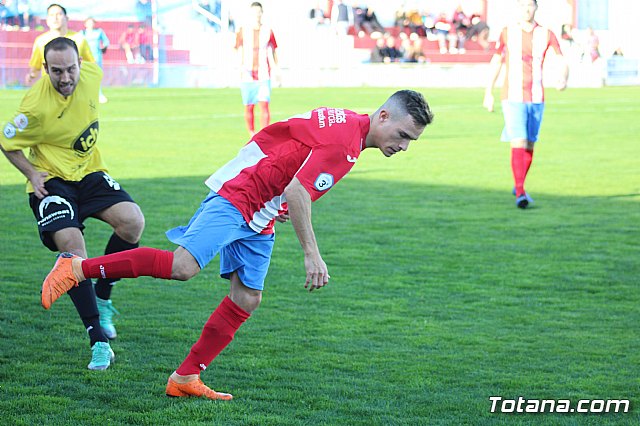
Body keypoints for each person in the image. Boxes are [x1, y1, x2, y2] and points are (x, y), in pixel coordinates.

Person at [40, 89, 434, 400]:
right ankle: (76, 268)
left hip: (261, 211)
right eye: (402, 135)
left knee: (246, 298)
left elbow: (286, 140)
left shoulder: (347, 124)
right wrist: (311, 253)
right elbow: (298, 190)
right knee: (182, 267)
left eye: (412, 140)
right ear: (383, 116)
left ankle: (186, 376)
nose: (404, 146)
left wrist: (276, 187)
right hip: (241, 196)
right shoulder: (345, 144)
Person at [1, 37, 145, 370]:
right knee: (74, 248)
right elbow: (6, 141)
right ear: (45, 69)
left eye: (70, 69)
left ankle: (104, 295)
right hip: (52, 181)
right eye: (56, 71)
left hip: (90, 173)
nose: (65, 78)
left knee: (133, 221)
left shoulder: (92, 75)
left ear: (81, 64)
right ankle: (98, 340)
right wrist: (31, 173)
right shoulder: (34, 105)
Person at [482, 0, 568, 209]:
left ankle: (519, 183)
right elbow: (496, 61)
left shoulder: (546, 33)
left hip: (537, 97)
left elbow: (561, 59)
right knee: (518, 141)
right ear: (517, 8)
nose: (526, 9)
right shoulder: (507, 32)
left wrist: (563, 77)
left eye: (530, 5)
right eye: (522, 5)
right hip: (512, 96)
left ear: (536, 7)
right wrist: (488, 93)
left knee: (529, 144)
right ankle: (520, 191)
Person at [235, 2, 279, 136]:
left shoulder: (268, 30)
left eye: (259, 12)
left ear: (262, 13)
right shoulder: (243, 30)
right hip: (247, 74)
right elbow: (237, 48)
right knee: (249, 106)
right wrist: (239, 66)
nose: (257, 15)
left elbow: (273, 50)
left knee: (264, 104)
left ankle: (264, 134)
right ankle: (252, 133)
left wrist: (276, 68)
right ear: (250, 14)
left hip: (264, 73)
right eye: (254, 12)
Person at [25, 4, 95, 85]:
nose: (55, 18)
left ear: (66, 18)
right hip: (51, 89)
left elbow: (92, 65)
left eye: (59, 14)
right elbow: (35, 67)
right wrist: (31, 76)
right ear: (47, 20)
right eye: (51, 15)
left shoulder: (79, 39)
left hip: (74, 89)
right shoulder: (40, 41)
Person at [81, 17, 110, 103]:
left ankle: (99, 94)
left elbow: (106, 41)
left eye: (92, 22)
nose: (91, 24)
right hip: (85, 58)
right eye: (89, 22)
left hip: (97, 57)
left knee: (97, 75)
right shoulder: (82, 33)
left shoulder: (99, 32)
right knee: (86, 77)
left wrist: (104, 46)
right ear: (85, 24)